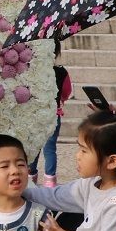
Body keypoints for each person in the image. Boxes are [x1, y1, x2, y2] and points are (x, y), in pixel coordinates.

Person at [36, 49, 74, 188]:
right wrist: (61, 100)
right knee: (50, 149)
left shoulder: (35, 69)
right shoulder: (61, 71)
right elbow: (67, 91)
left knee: (34, 147)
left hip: (36, 114)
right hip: (54, 114)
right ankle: (50, 182)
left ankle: (31, 177)